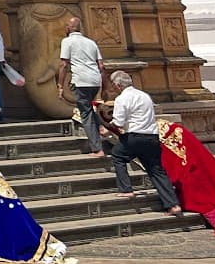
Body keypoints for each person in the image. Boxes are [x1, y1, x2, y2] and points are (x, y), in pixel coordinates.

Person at [101, 71, 181, 215]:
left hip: (134, 137)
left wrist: (107, 128)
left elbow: (118, 122)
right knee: (156, 170)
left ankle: (126, 189)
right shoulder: (145, 96)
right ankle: (173, 204)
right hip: (152, 137)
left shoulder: (122, 99)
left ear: (118, 85)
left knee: (118, 155)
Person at [57, 16, 108, 156]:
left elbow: (63, 64)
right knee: (88, 108)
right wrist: (105, 87)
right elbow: (101, 66)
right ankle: (102, 127)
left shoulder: (67, 41)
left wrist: (60, 85)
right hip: (95, 80)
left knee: (85, 113)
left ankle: (97, 149)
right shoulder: (91, 42)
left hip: (81, 80)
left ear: (69, 28)